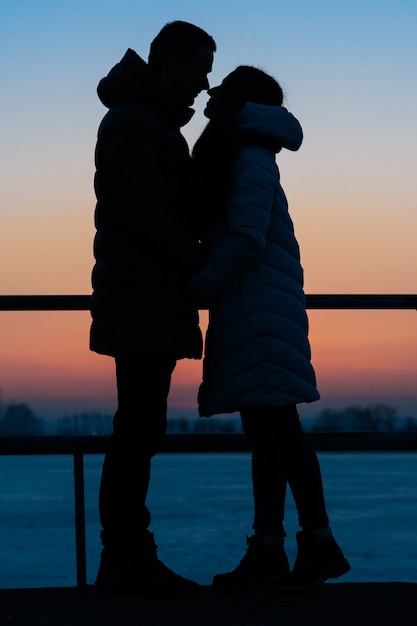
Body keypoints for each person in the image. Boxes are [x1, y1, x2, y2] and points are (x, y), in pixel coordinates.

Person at [189, 66, 350, 593]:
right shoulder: (242, 151)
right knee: (266, 434)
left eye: (222, 91)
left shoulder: (251, 156)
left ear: (240, 102)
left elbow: (248, 238)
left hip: (257, 309)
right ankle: (269, 547)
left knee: (278, 430)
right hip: (251, 307)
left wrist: (199, 285)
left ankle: (317, 543)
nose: (210, 97)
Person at [90, 21, 216, 597]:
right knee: (137, 430)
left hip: (144, 297)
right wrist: (200, 267)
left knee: (139, 429)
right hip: (144, 297)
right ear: (169, 64)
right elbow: (151, 216)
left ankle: (125, 557)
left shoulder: (143, 122)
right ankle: (127, 557)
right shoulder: (138, 124)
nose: (204, 81)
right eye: (198, 67)